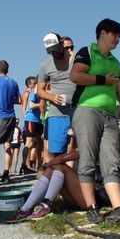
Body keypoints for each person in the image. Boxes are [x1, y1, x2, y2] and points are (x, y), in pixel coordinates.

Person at [70, 18, 120, 226]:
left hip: (110, 115)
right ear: (103, 33)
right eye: (115, 34)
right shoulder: (87, 52)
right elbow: (76, 76)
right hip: (87, 110)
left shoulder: (116, 62)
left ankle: (118, 208)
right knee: (88, 159)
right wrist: (103, 80)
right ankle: (91, 208)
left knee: (112, 161)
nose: (118, 39)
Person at [5, 150, 88, 223]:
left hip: (90, 199)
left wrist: (45, 166)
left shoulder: (91, 143)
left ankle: (46, 205)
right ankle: (25, 209)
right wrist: (46, 167)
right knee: (49, 170)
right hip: (79, 197)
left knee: (60, 167)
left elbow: (62, 158)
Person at [36, 33, 77, 163]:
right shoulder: (45, 65)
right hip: (57, 113)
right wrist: (52, 97)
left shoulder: (77, 59)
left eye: (55, 49)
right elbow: (39, 91)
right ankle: (54, 173)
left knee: (77, 148)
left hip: (79, 109)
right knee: (55, 151)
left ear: (61, 43)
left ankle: (72, 174)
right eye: (50, 51)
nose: (53, 53)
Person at [0, 60, 21, 182]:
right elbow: (19, 100)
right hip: (10, 115)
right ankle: (6, 173)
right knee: (7, 144)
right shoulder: (14, 83)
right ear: (7, 70)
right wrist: (9, 100)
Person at [20, 75, 43, 174]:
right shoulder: (32, 92)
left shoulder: (41, 91)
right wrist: (41, 105)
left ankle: (39, 166)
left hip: (39, 120)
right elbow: (29, 105)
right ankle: (24, 165)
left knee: (39, 143)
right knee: (29, 142)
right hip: (31, 119)